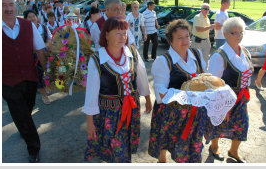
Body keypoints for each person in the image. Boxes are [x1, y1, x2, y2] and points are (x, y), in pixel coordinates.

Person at [83, 16, 152, 163]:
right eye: (117, 32)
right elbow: (91, 94)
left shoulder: (132, 52)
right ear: (106, 35)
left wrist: (147, 99)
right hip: (110, 112)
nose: (123, 36)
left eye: (124, 32)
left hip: (131, 109)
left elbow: (142, 77)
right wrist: (90, 122)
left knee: (124, 146)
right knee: (115, 149)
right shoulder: (97, 59)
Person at [148, 19, 208, 163]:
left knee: (192, 148)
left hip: (195, 111)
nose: (185, 40)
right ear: (171, 41)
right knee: (166, 141)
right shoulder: (164, 60)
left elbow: (205, 77)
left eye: (187, 36)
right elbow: (161, 92)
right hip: (172, 113)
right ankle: (162, 160)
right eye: (179, 38)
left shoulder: (197, 54)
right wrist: (184, 95)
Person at [2, 0, 47, 163]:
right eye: (3, 5)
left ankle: (23, 126)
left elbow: (40, 49)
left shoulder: (28, 25)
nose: (8, 8)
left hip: (30, 78)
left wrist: (48, 74)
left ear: (16, 6)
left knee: (26, 109)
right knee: (21, 113)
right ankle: (34, 149)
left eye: (11, 4)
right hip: (7, 81)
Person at [206, 17, 253, 163]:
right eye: (234, 33)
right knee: (218, 124)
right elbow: (213, 84)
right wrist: (222, 107)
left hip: (241, 98)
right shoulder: (219, 56)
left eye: (241, 32)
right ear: (225, 34)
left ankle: (233, 151)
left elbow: (248, 74)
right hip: (223, 97)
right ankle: (214, 147)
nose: (239, 36)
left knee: (242, 124)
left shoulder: (244, 51)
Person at [24, 10, 52, 105]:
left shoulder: (44, 28)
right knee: (39, 76)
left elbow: (50, 39)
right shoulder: (25, 30)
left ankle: (48, 86)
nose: (32, 18)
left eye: (34, 16)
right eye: (29, 17)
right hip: (32, 57)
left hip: (45, 54)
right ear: (26, 19)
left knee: (49, 72)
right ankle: (44, 95)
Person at [190, 2, 215, 68]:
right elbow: (198, 29)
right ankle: (195, 73)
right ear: (201, 9)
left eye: (208, 9)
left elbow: (207, 31)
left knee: (205, 59)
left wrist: (208, 41)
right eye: (205, 9)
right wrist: (210, 27)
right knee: (196, 58)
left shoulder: (207, 18)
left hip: (206, 40)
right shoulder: (197, 17)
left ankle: (204, 73)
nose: (207, 11)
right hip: (197, 40)